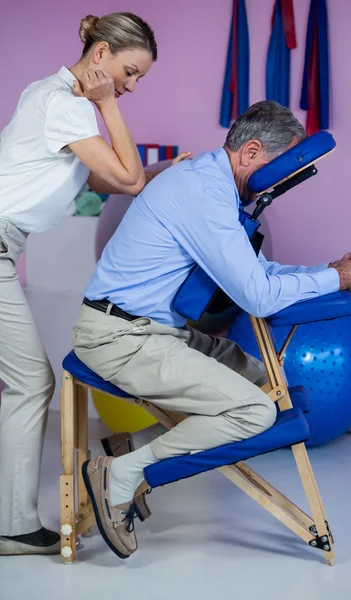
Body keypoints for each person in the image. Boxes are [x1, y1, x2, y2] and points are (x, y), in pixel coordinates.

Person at [73, 100, 351, 559]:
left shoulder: (215, 186)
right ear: (251, 152)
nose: (284, 182)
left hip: (157, 332)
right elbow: (257, 296)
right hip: (118, 338)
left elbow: (255, 272)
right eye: (283, 169)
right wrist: (338, 279)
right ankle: (122, 473)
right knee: (253, 414)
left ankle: (130, 456)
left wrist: (331, 269)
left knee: (267, 389)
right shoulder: (202, 192)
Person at [0, 11, 189, 556]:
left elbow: (114, 181)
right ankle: (11, 526)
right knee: (32, 383)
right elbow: (126, 177)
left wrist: (168, 170)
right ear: (101, 54)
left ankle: (11, 522)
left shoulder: (57, 103)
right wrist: (107, 105)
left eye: (138, 81)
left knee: (28, 383)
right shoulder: (68, 104)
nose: (130, 87)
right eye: (130, 73)